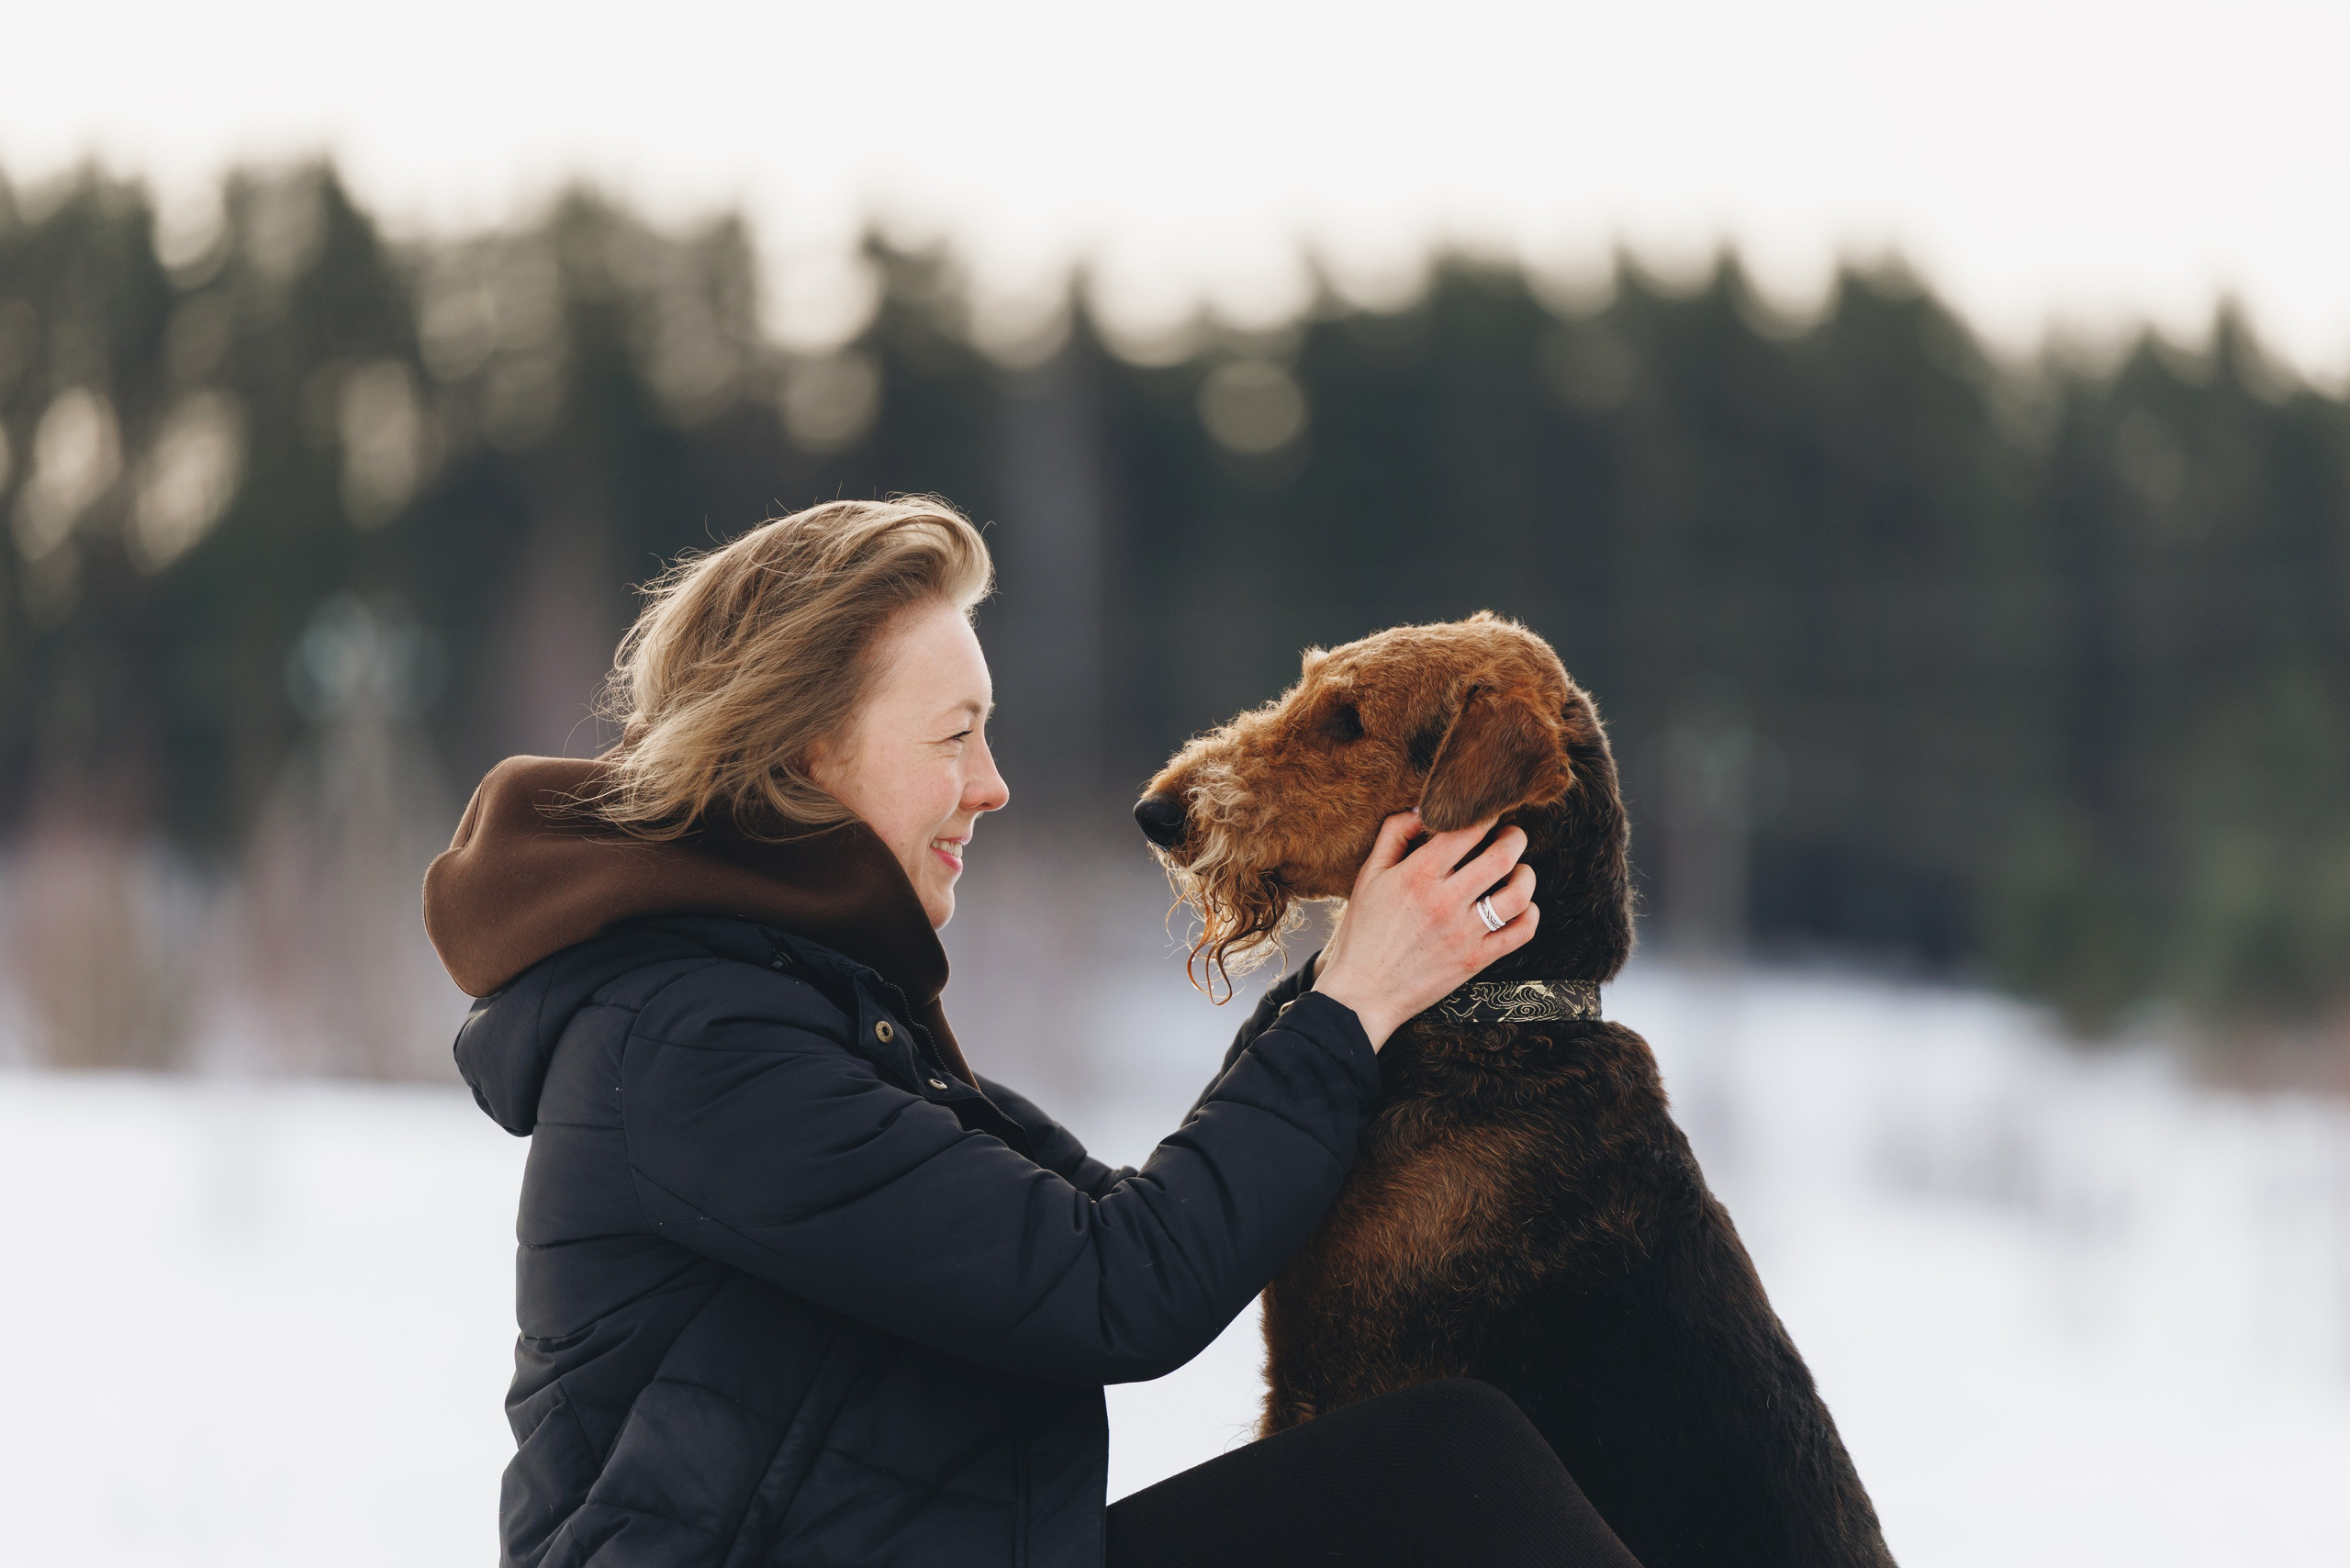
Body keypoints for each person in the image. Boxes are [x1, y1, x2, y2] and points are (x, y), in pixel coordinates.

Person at [424, 497, 1641, 1568]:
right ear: (803, 749)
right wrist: (1352, 999)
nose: (992, 782)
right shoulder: (696, 1047)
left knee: (1439, 1471)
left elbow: (1124, 1222)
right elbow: (1117, 1286)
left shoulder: (801, 1007)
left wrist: (1366, 998)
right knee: (1442, 1477)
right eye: (955, 735)